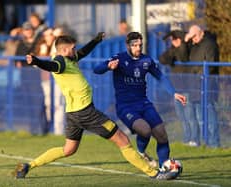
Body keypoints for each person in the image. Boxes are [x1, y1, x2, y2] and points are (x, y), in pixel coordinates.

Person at [13, 32, 179, 180]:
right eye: (72, 48)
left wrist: (96, 40)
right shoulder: (60, 62)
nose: (75, 51)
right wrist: (36, 61)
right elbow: (51, 66)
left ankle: (29, 165)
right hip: (86, 113)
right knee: (123, 140)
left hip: (73, 114)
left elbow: (83, 52)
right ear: (63, 50)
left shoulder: (70, 58)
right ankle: (155, 174)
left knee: (68, 149)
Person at [94, 32, 187, 169]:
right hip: (125, 107)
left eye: (140, 45)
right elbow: (97, 69)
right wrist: (108, 66)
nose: (138, 48)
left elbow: (160, 77)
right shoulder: (119, 58)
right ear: (128, 45)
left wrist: (173, 93)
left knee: (161, 134)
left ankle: (164, 168)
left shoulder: (146, 61)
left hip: (143, 103)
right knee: (144, 129)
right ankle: (141, 153)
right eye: (135, 45)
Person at [159, 30, 199, 146]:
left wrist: (180, 46)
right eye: (172, 40)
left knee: (190, 114)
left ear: (180, 40)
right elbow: (162, 58)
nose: (173, 42)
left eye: (175, 40)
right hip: (176, 89)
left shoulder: (187, 48)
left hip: (187, 88)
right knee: (181, 115)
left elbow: (183, 58)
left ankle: (194, 139)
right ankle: (187, 138)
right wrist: (172, 55)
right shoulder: (173, 50)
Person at [184, 24, 220, 147]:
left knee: (210, 115)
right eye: (191, 37)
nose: (193, 39)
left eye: (194, 36)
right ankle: (205, 142)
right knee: (199, 116)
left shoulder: (210, 44)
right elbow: (183, 55)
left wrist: (199, 74)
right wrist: (186, 40)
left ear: (201, 33)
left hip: (207, 85)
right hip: (195, 85)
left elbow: (211, 64)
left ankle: (214, 143)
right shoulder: (194, 45)